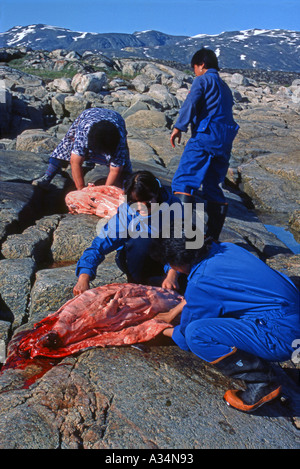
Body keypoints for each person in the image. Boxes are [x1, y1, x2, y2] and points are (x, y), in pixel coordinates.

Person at [150, 229, 300, 413]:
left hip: (283, 335)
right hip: (291, 314)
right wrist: (174, 310)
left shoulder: (201, 282)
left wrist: (157, 329)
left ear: (178, 262)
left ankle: (261, 382)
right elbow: (218, 290)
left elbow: (185, 336)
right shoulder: (228, 249)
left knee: (196, 334)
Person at [73, 171, 184, 296]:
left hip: (168, 258)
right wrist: (84, 276)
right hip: (137, 258)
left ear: (157, 195)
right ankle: (139, 282)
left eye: (147, 203)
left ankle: (163, 279)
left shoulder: (173, 206)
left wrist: (172, 274)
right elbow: (100, 245)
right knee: (141, 240)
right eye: (136, 203)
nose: (141, 208)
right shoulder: (127, 212)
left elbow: (180, 243)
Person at [170, 48, 239, 241]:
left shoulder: (203, 80)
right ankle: (211, 237)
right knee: (212, 185)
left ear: (201, 65)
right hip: (224, 141)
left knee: (184, 181)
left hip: (205, 137)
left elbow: (191, 102)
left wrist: (179, 126)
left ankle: (183, 238)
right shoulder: (225, 87)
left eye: (195, 68)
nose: (195, 72)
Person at [32, 108, 132, 190]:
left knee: (123, 161)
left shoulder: (119, 140)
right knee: (66, 145)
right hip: (89, 115)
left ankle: (127, 183)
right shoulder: (84, 133)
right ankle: (47, 177)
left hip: (116, 119)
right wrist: (81, 190)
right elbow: (75, 162)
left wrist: (104, 191)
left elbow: (115, 170)